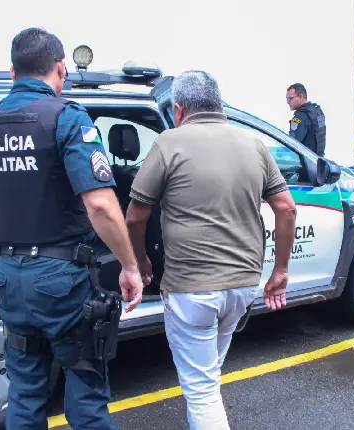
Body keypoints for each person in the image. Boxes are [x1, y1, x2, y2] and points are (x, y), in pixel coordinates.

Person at [0, 27, 144, 430]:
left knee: (25, 393)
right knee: (85, 396)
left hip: (7, 278)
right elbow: (101, 203)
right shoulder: (66, 117)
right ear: (61, 68)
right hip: (60, 283)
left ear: (12, 73)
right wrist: (130, 266)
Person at [125, 70, 298, 429]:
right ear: (218, 105)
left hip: (192, 290)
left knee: (201, 390)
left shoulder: (168, 144)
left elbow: (135, 217)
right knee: (207, 378)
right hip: (242, 286)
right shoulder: (253, 144)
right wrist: (280, 271)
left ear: (178, 110)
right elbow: (287, 209)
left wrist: (139, 260)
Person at [286, 83, 327, 156]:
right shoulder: (317, 111)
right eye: (287, 98)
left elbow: (292, 144)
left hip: (306, 163)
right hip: (319, 161)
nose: (288, 102)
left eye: (290, 98)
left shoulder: (300, 117)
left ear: (300, 97)